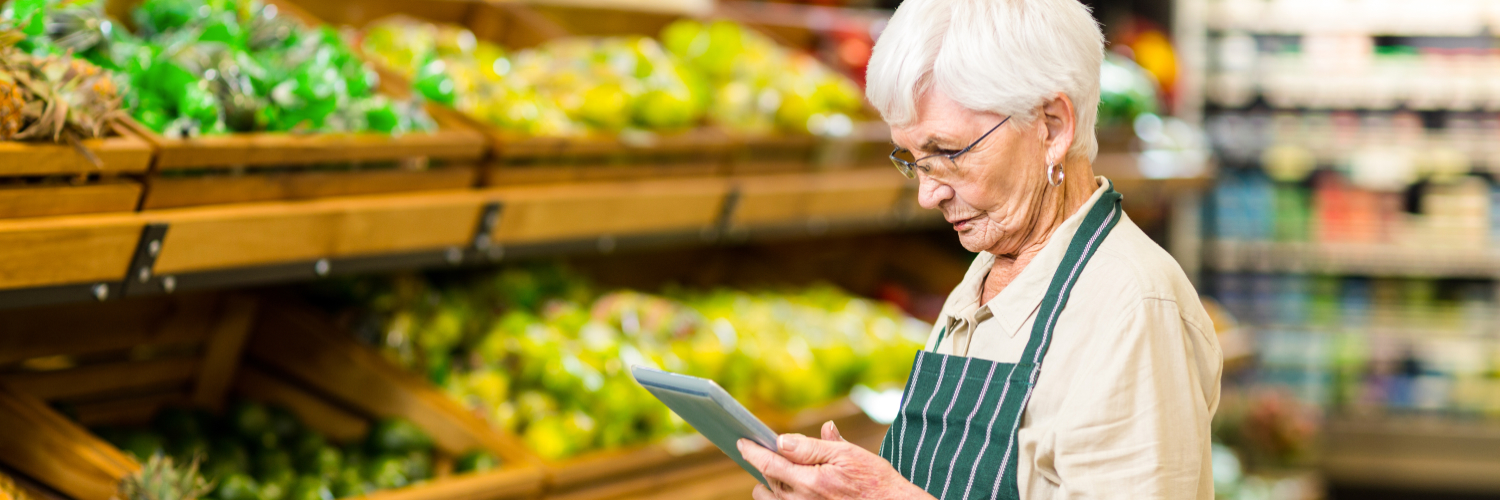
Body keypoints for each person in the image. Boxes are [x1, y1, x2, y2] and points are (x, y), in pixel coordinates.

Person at [736, 0, 1223, 498]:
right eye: (914, 159)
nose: (928, 195)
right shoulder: (979, 284)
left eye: (948, 152)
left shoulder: (1133, 309)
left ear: (1052, 126)